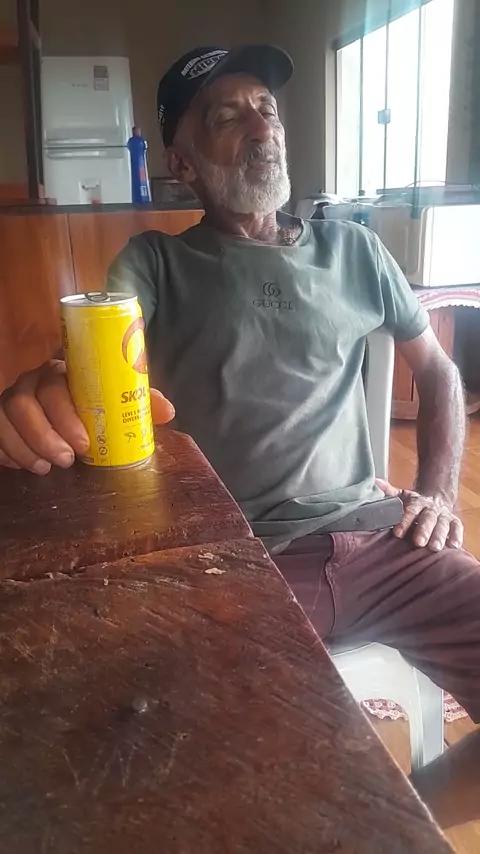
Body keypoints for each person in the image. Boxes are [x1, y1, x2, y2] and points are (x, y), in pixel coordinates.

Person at [0, 45, 479, 731]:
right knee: (164, 732)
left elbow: (437, 370)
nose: (261, 129)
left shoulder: (356, 249)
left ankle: (419, 798)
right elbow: (88, 368)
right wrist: (45, 395)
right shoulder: (156, 264)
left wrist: (436, 491)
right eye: (227, 118)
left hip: (381, 541)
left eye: (267, 111)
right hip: (236, 558)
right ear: (183, 164)